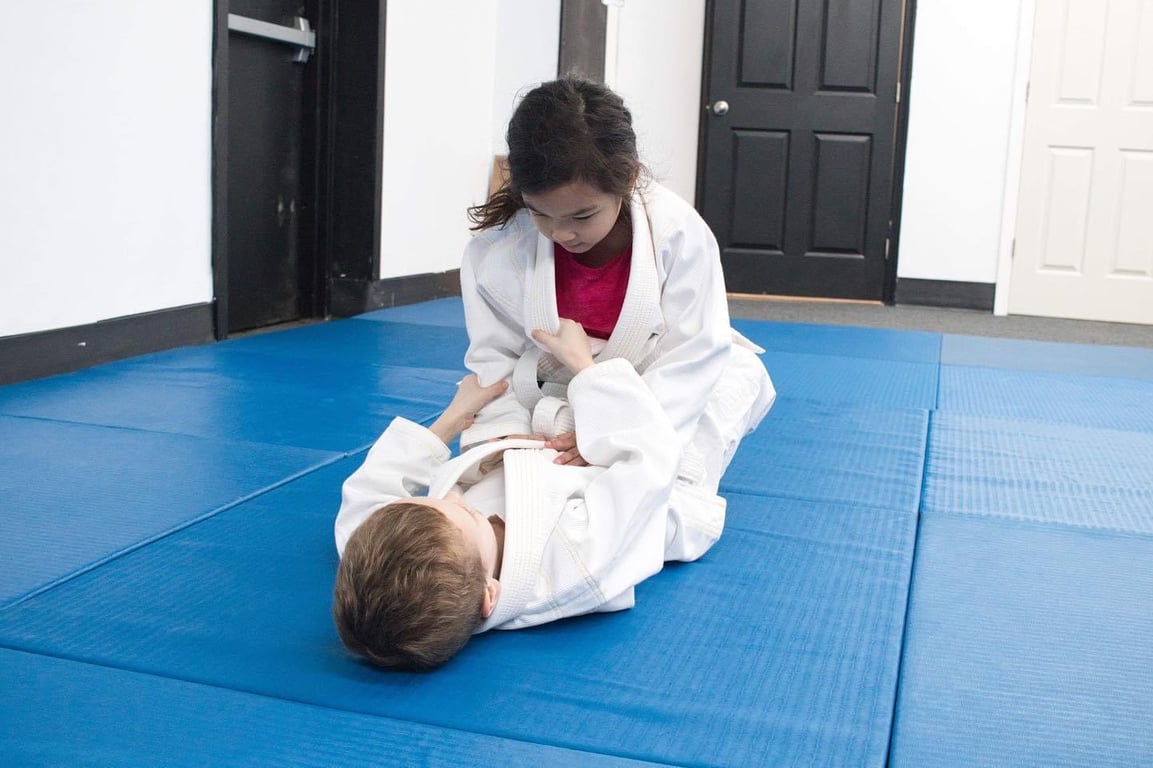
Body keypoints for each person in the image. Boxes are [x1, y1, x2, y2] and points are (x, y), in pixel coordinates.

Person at [333, 320, 725, 671]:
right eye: (466, 514)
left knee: (518, 387)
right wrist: (585, 369)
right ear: (489, 595)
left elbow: (368, 492)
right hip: (667, 497)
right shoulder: (575, 559)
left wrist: (454, 417)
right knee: (725, 381)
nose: (453, 497)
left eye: (434, 500)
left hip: (534, 473)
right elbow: (650, 460)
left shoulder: (382, 555)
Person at [461, 76, 774, 497]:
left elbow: (693, 353)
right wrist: (509, 433)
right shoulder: (496, 250)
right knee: (501, 483)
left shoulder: (678, 233)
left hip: (651, 389)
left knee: (731, 383)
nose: (561, 233)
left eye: (582, 216)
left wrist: (617, 429)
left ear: (628, 180)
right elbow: (494, 358)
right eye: (540, 213)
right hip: (552, 391)